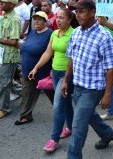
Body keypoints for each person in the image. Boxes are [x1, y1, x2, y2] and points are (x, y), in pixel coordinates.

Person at [61, 0, 113, 158]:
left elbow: (110, 68)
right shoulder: (76, 32)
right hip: (77, 85)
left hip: (93, 89)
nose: (78, 16)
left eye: (82, 12)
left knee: (78, 125)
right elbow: (72, 58)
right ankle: (107, 134)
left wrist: (107, 95)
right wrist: (66, 80)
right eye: (76, 12)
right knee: (88, 114)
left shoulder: (104, 36)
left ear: (92, 12)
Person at [28, 9, 75, 153]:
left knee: (58, 106)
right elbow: (48, 52)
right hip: (55, 73)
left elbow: (73, 58)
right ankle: (71, 128)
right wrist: (36, 68)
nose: (58, 20)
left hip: (67, 75)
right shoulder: (54, 33)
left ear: (69, 20)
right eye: (57, 18)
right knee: (65, 103)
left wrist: (66, 78)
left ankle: (54, 139)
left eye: (62, 18)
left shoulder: (74, 34)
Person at [15, 11, 54, 125]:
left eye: (39, 19)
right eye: (35, 19)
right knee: (27, 94)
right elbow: (27, 46)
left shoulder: (50, 34)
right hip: (27, 71)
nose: (36, 21)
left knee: (55, 97)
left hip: (43, 73)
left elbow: (51, 52)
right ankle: (25, 116)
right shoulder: (32, 32)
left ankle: (66, 115)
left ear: (45, 22)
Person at [0, 0, 21, 120]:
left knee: (3, 83)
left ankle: (4, 108)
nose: (0, 3)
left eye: (3, 2)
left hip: (9, 56)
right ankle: (26, 92)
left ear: (12, 4)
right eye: (0, 1)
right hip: (0, 54)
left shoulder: (15, 19)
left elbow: (14, 41)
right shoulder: (4, 16)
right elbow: (3, 32)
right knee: (4, 80)